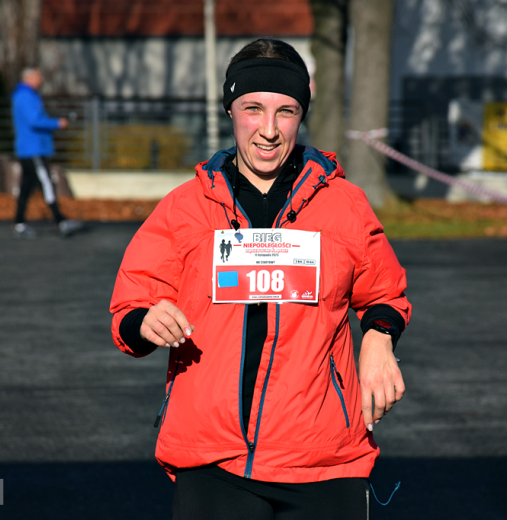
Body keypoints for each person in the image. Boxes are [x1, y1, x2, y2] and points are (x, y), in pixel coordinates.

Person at [110, 39, 411, 520]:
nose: (268, 130)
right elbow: (130, 304)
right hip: (213, 459)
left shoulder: (344, 204)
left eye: (286, 111)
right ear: (231, 110)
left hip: (324, 460)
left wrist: (378, 337)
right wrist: (145, 321)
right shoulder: (186, 207)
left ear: (301, 115)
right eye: (253, 108)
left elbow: (386, 293)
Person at [10, 67, 81, 238]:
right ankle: (60, 220)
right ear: (29, 77)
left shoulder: (29, 95)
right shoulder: (25, 96)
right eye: (38, 76)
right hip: (33, 149)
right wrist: (57, 123)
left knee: (26, 186)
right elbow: (34, 120)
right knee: (46, 182)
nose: (41, 79)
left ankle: (19, 222)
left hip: (33, 147)